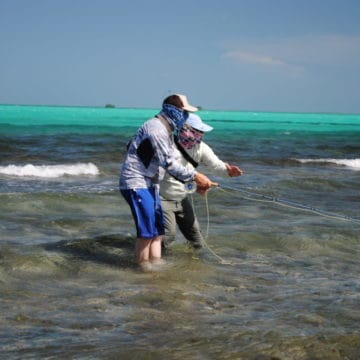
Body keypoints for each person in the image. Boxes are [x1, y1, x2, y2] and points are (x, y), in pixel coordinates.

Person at [119, 94, 218, 270]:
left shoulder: (167, 130)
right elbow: (170, 164)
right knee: (147, 232)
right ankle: (143, 269)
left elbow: (171, 162)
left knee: (158, 231)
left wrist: (195, 182)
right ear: (173, 111)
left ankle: (157, 265)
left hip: (151, 183)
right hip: (136, 182)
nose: (186, 117)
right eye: (184, 112)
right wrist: (196, 176)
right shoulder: (156, 129)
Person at [160, 113, 243, 250]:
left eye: (201, 132)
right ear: (184, 129)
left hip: (182, 198)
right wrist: (197, 179)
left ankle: (193, 266)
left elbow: (216, 165)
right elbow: (169, 168)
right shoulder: (167, 144)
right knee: (168, 237)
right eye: (197, 131)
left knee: (197, 241)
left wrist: (229, 172)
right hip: (161, 197)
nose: (200, 134)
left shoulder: (201, 147)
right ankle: (158, 266)